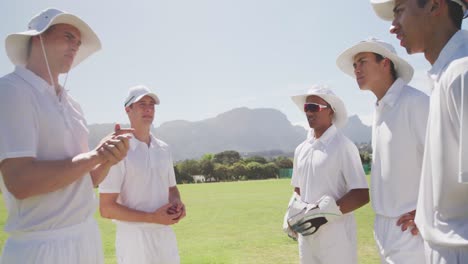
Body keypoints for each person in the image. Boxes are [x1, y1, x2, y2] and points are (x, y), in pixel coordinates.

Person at [0, 8, 132, 264]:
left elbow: (85, 181)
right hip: (41, 246)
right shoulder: (11, 91)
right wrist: (94, 155)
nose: (75, 46)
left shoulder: (73, 105)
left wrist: (107, 159)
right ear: (38, 38)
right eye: (68, 36)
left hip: (86, 237)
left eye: (78, 42)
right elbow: (20, 182)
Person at [370, 0, 468, 263]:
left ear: (435, 6)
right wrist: (426, 213)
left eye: (400, 10)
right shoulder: (444, 77)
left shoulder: (462, 73)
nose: (393, 27)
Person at [336, 37, 429, 263]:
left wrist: (428, 214)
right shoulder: (379, 109)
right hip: (383, 228)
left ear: (385, 63)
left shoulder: (416, 102)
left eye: (362, 61)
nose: (356, 69)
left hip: (412, 230)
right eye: (355, 65)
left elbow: (446, 162)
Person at [99, 85, 186, 264]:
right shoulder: (117, 149)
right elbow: (106, 209)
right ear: (128, 110)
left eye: (151, 105)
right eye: (142, 104)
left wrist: (177, 203)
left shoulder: (163, 148)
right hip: (134, 242)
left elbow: (172, 189)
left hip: (165, 237)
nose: (148, 109)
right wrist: (152, 218)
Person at [288, 85, 369, 264]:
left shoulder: (343, 146)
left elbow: (361, 194)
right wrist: (290, 214)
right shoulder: (301, 149)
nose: (309, 112)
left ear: (331, 111)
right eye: (307, 107)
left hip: (336, 240)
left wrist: (322, 215)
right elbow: (299, 189)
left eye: (314, 107)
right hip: (307, 238)